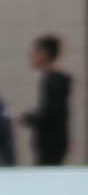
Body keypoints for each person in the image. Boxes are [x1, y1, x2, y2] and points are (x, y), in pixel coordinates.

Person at [21, 34, 71, 166]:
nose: (32, 57)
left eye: (35, 53)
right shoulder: (51, 80)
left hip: (51, 144)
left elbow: (50, 113)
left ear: (44, 55)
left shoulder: (54, 81)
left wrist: (29, 118)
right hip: (50, 142)